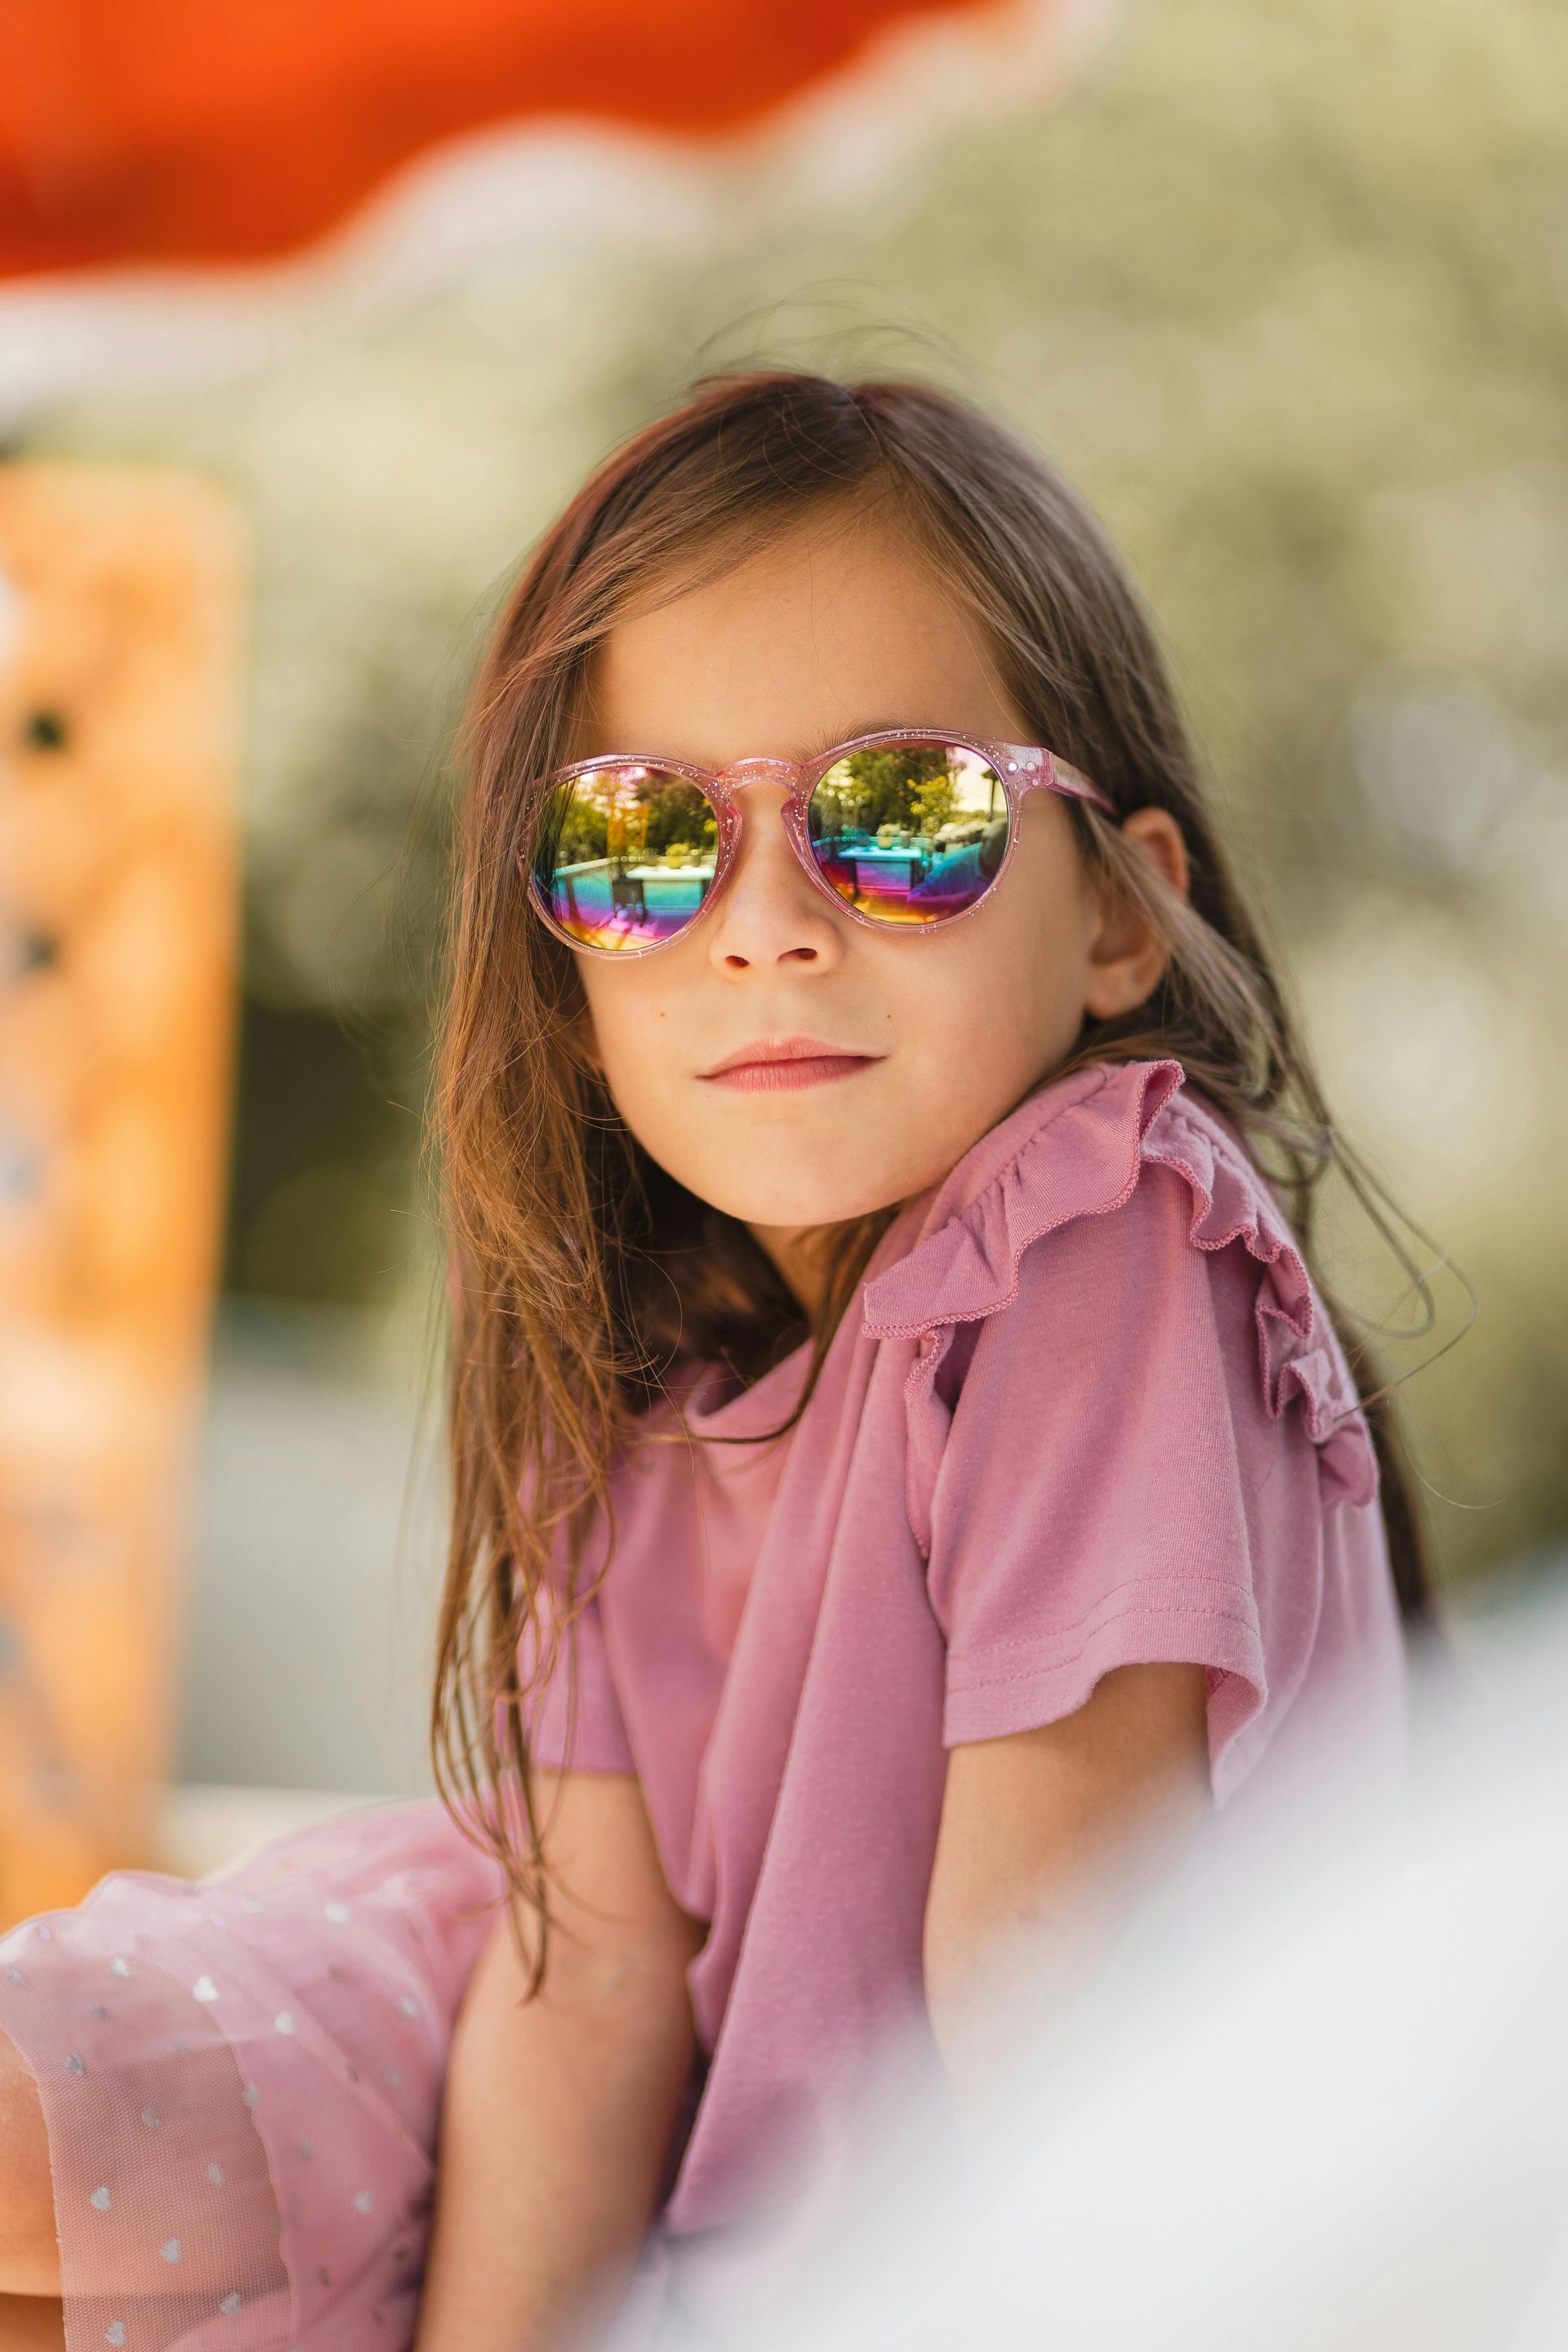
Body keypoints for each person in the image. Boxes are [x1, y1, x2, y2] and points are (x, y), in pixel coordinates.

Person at [0, 372, 1428, 2352]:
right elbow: (581, 1991)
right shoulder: (634, 1373)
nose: (760, 925)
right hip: (541, 2099)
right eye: (644, 841)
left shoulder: (1100, 1233)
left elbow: (1053, 2008)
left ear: (1119, 914)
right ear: (564, 965)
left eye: (901, 815)